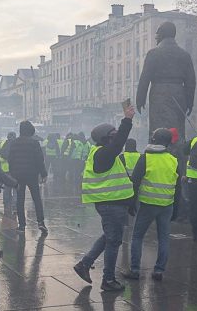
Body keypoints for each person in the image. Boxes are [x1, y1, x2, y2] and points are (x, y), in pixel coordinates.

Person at [73, 106, 135, 292]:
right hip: (111, 205)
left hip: (115, 203)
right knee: (114, 242)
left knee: (109, 237)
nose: (117, 138)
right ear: (105, 138)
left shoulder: (104, 154)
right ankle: (108, 280)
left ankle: (84, 264)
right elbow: (118, 144)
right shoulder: (103, 154)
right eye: (113, 135)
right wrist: (127, 120)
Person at [122, 128, 181, 281]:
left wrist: (130, 203)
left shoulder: (145, 158)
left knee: (137, 237)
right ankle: (159, 271)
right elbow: (178, 186)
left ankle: (135, 270)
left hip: (147, 204)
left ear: (153, 140)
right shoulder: (173, 160)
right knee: (163, 238)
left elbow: (135, 182)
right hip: (167, 204)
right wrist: (177, 208)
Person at [8, 121, 48, 233]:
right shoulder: (34, 143)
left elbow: (10, 159)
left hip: (18, 175)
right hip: (31, 174)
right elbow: (40, 160)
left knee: (20, 200)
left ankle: (21, 225)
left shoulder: (14, 143)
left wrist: (12, 173)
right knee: (36, 198)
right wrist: (43, 173)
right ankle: (41, 222)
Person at [0, 132, 16, 211]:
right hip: (15, 169)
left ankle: (6, 202)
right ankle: (15, 203)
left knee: (7, 187)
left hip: (5, 169)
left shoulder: (2, 143)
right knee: (16, 187)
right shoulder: (17, 143)